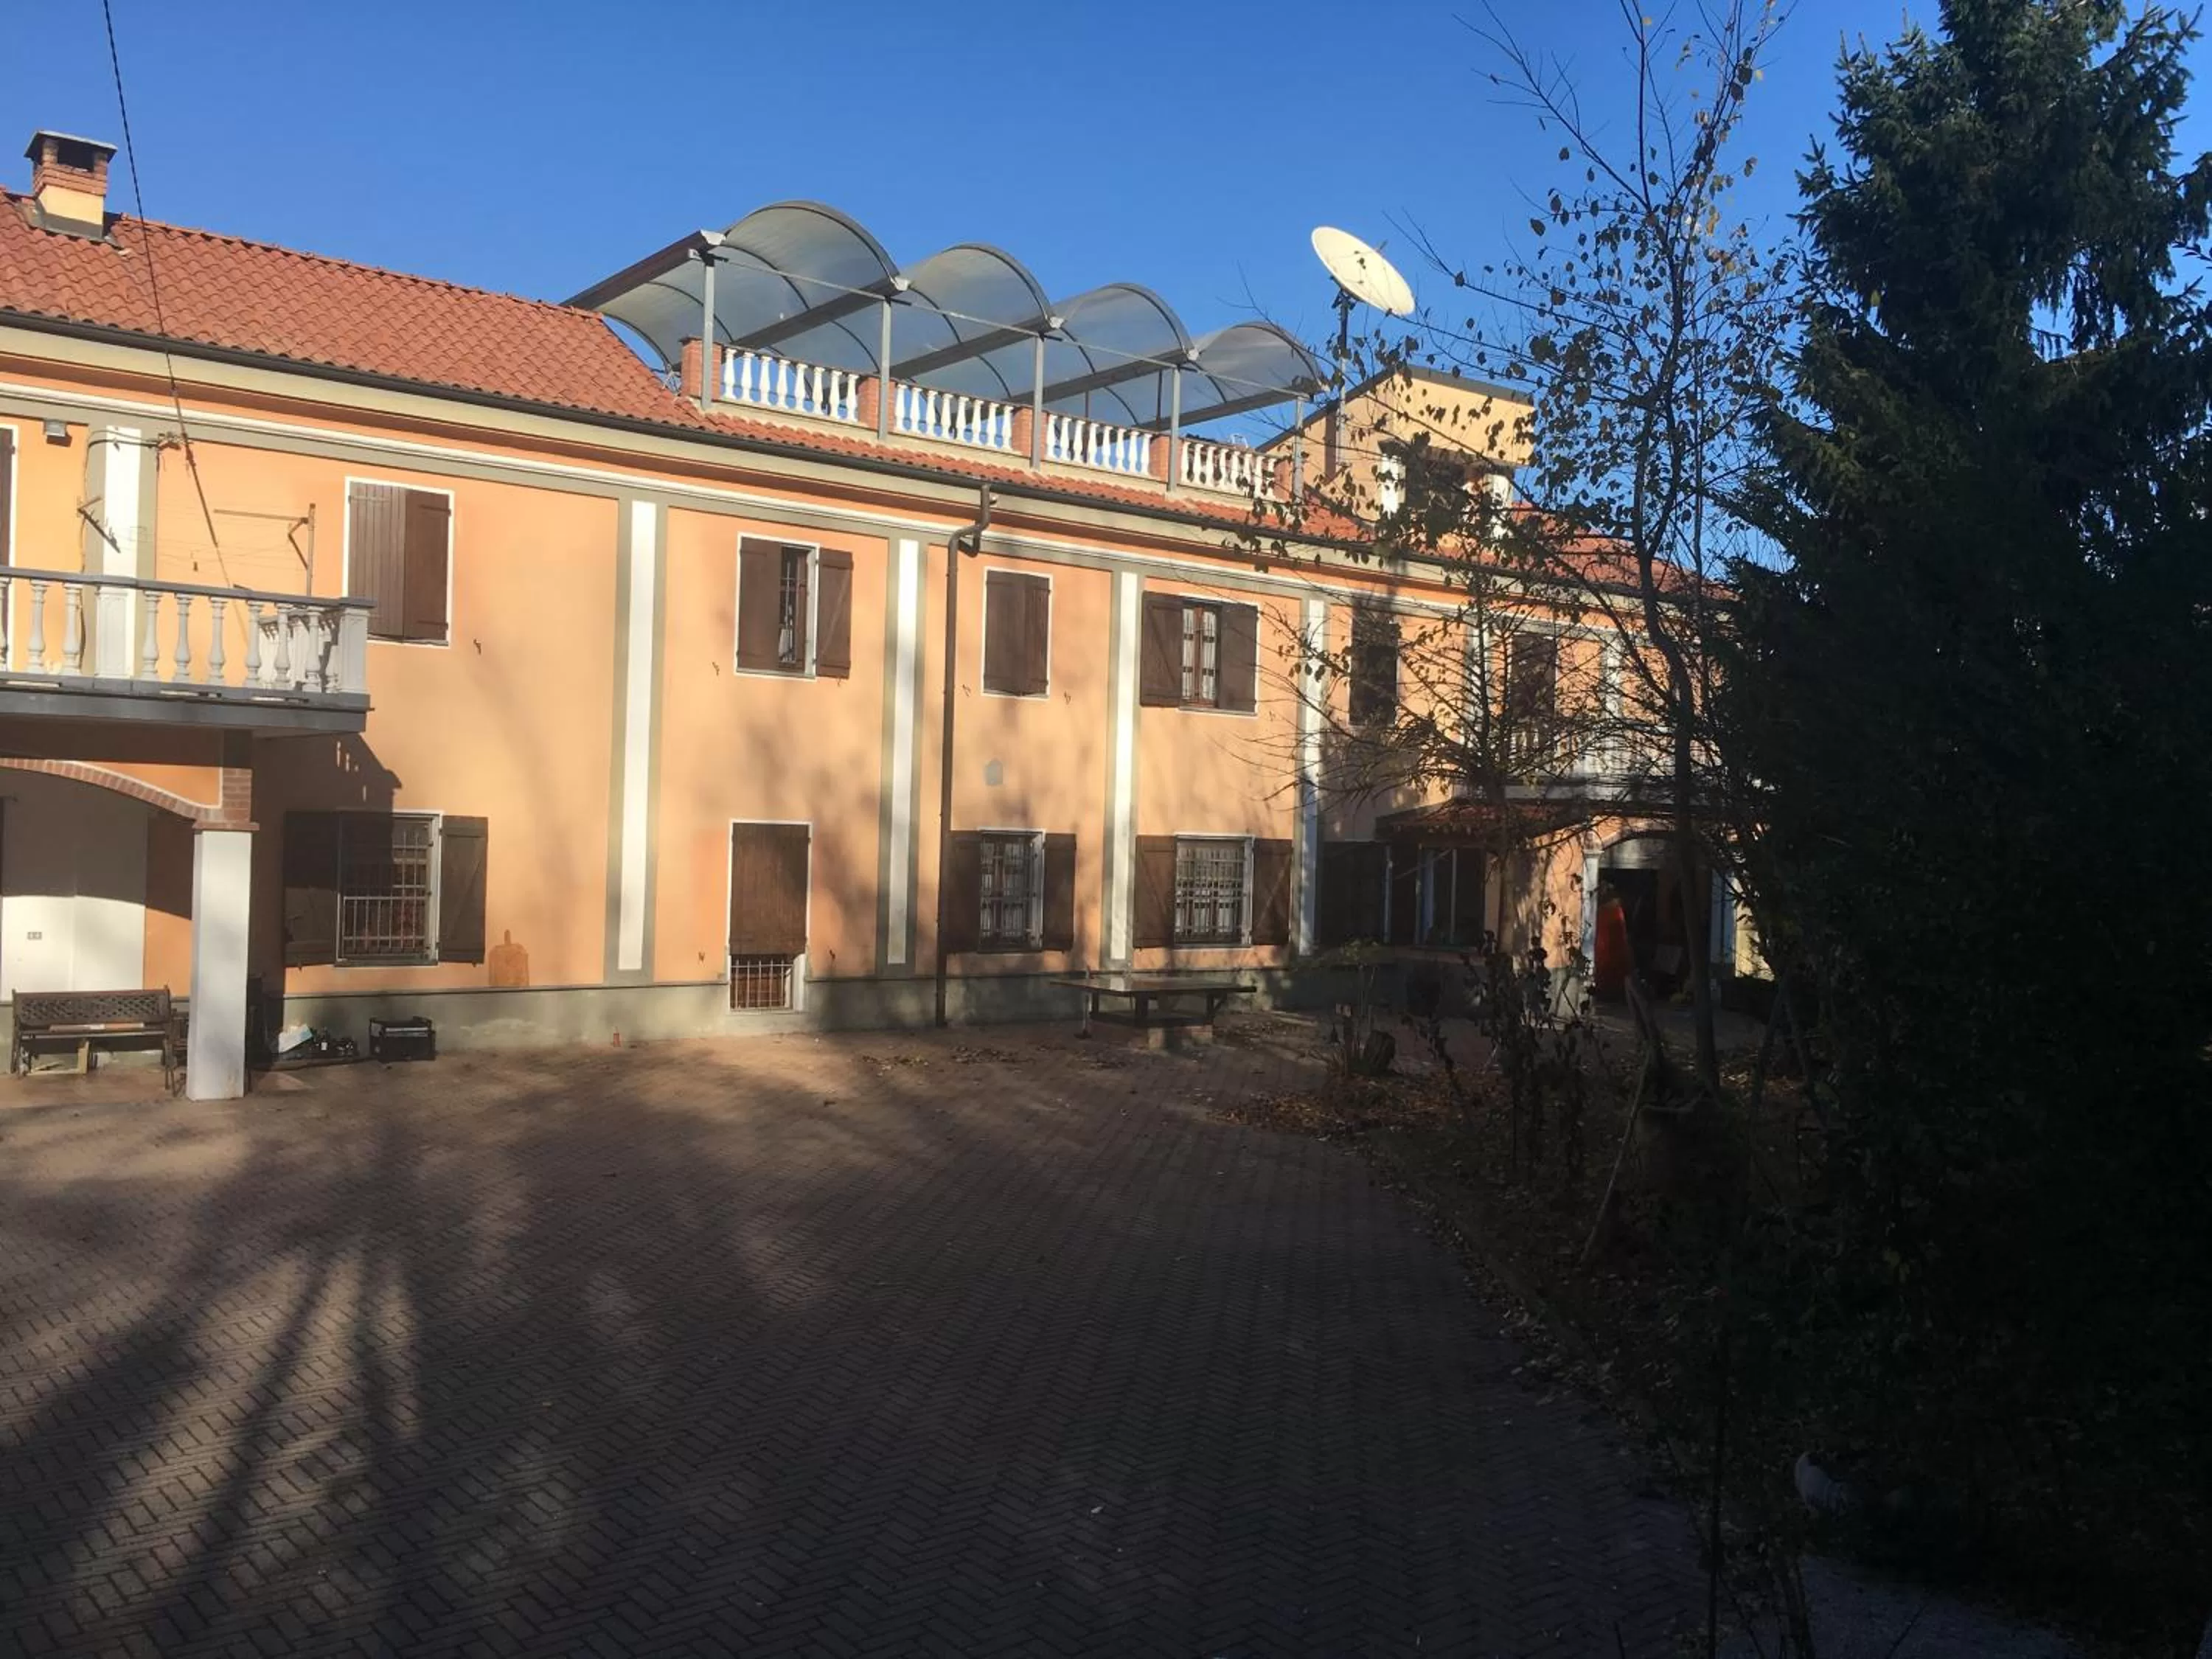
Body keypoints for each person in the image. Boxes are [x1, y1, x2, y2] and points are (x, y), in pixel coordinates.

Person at [1593, 881, 1630, 1002]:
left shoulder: (1608, 911)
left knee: (1609, 973)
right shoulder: (1613, 911)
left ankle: (1610, 994)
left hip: (1607, 949)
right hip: (1609, 949)